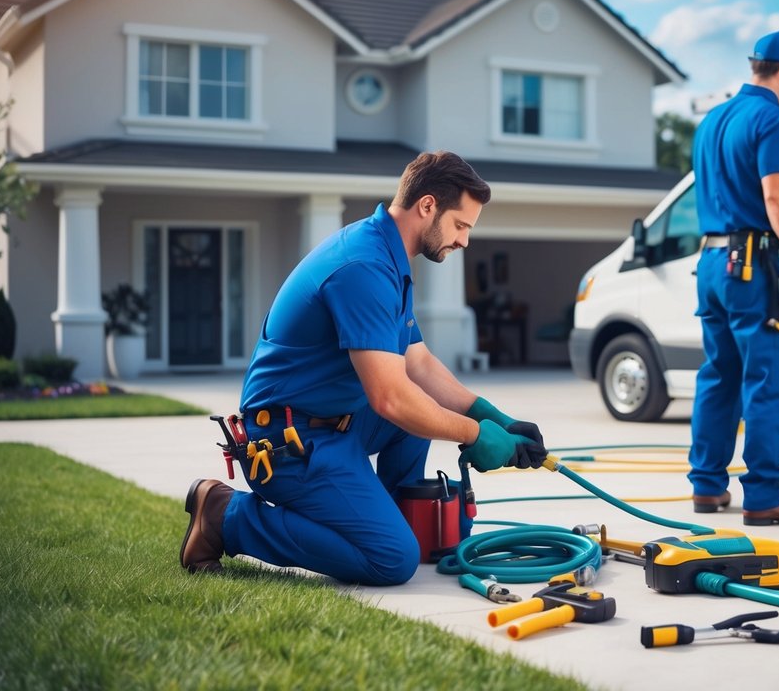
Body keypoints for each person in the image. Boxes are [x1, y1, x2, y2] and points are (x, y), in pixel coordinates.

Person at [180, 151, 548, 583]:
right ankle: (226, 515)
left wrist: (489, 416)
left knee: (418, 413)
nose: (464, 241)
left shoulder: (388, 257)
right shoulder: (365, 267)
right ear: (427, 206)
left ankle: (393, 517)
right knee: (391, 559)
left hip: (335, 423)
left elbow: (419, 364)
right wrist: (474, 436)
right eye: (461, 225)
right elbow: (389, 398)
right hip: (288, 442)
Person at [688, 31, 779, 526]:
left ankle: (707, 487)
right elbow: (777, 197)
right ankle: (765, 495)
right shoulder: (773, 120)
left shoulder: (712, 121)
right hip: (750, 266)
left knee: (718, 375)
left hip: (709, 263)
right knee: (767, 379)